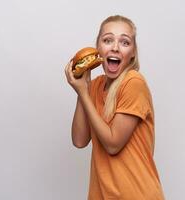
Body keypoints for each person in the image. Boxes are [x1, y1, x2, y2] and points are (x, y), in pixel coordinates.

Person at [65, 15, 165, 200]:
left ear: (133, 53)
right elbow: (79, 141)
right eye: (108, 40)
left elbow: (113, 145)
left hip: (137, 194)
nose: (115, 47)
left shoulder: (133, 83)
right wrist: (83, 90)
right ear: (98, 49)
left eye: (125, 42)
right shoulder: (94, 86)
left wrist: (84, 94)